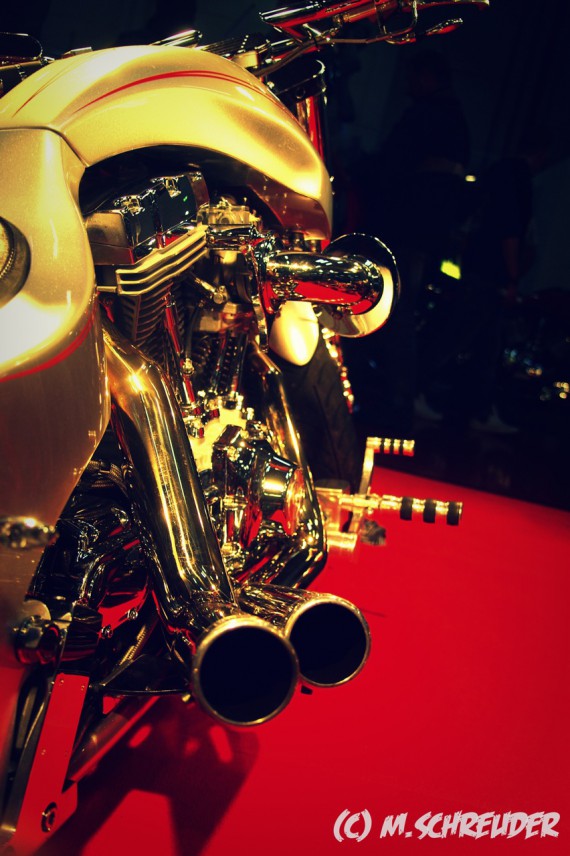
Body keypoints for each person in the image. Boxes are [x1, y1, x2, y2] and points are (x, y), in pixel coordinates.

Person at [352, 50, 470, 436]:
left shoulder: (425, 117)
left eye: (415, 75)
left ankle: (390, 400)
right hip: (423, 236)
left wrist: (360, 173)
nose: (409, 83)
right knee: (401, 312)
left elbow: (391, 167)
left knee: (387, 310)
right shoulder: (456, 122)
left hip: (401, 230)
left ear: (428, 76)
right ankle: (398, 399)